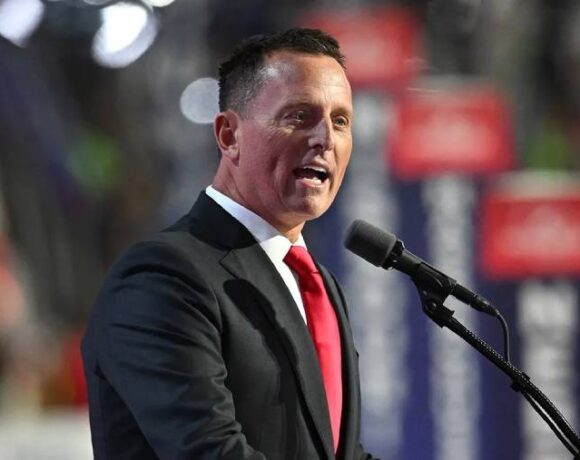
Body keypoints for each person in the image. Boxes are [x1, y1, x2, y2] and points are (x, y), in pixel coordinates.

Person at [82, 28, 377, 460]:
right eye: (299, 116)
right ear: (228, 135)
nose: (325, 140)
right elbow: (211, 452)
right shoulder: (162, 277)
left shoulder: (319, 285)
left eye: (340, 121)